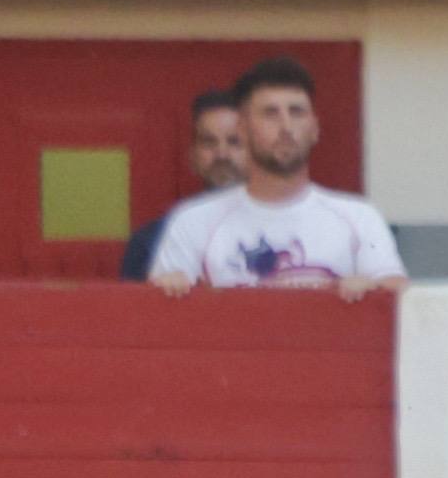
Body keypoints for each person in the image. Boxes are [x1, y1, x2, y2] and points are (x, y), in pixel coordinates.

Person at [150, 60, 405, 302]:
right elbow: (160, 316)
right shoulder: (194, 222)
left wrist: (374, 291)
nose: (286, 126)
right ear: (242, 129)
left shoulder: (359, 218)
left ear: (315, 128)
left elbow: (396, 295)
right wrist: (170, 288)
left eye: (296, 112)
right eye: (270, 113)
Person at [121, 90, 248, 284]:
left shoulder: (284, 223)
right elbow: (130, 303)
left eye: (234, 142)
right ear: (192, 156)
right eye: (209, 142)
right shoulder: (150, 241)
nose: (222, 154)